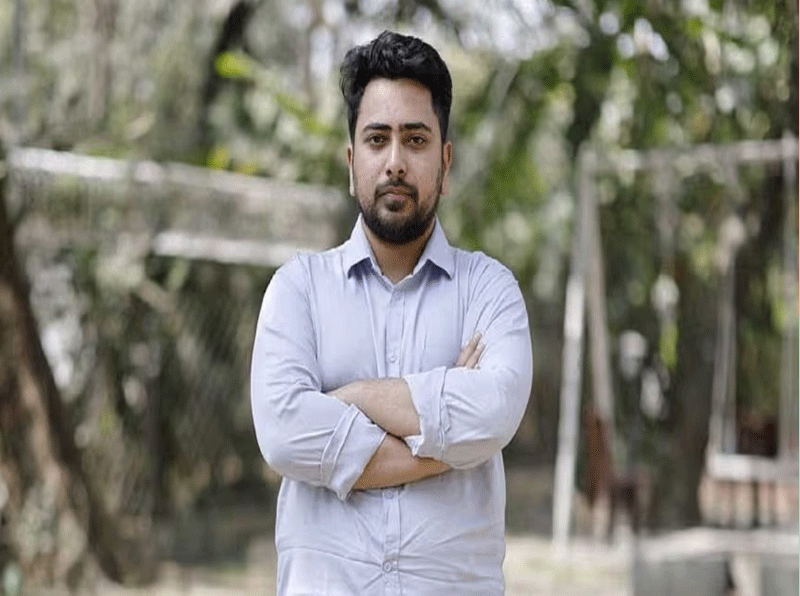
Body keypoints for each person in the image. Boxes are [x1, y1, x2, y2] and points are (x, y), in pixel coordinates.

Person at [251, 30, 533, 596]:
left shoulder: (489, 290)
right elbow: (283, 432)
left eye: (416, 140)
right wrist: (446, 443)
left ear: (445, 161)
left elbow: (496, 408)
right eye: (377, 139)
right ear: (351, 161)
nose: (396, 162)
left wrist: (350, 397)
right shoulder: (297, 290)